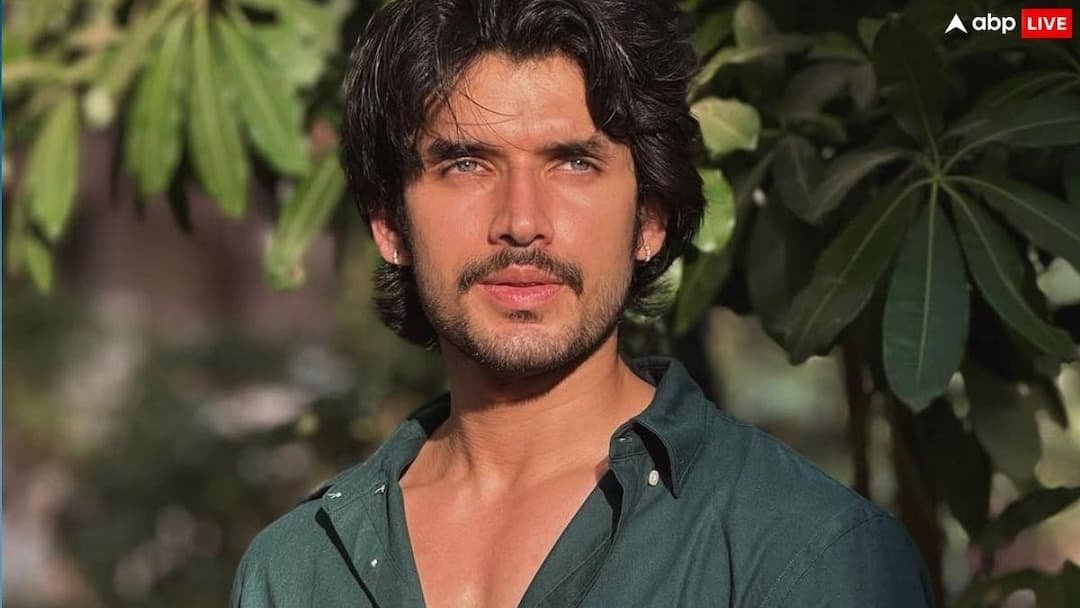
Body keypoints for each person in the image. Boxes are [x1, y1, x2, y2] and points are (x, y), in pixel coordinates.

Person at [231, 0, 933, 606]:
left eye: (574, 163)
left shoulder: (808, 552)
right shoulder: (297, 571)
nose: (521, 221)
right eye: (467, 164)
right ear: (389, 225)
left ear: (649, 218)